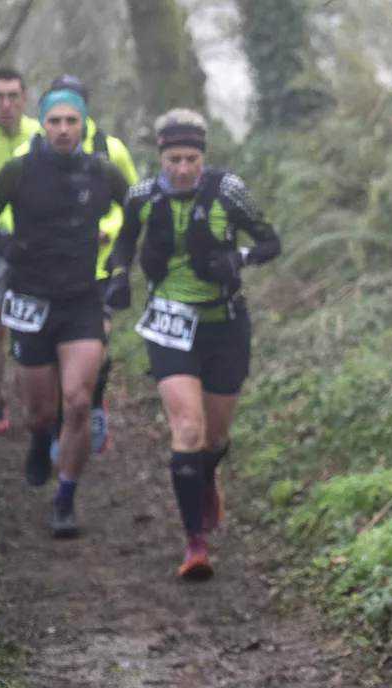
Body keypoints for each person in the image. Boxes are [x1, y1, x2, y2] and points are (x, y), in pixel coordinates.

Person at [106, 108, 281, 581]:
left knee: (215, 438)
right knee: (187, 428)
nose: (184, 169)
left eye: (192, 159)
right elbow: (124, 242)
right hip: (169, 324)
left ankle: (205, 476)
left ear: (203, 157)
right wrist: (118, 276)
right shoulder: (142, 196)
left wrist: (237, 257)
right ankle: (194, 543)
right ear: (161, 157)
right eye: (175, 160)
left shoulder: (229, 190)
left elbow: (270, 242)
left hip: (225, 324)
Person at [0, 88, 129, 538]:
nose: (63, 129)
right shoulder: (19, 170)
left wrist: (121, 263)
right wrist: (6, 246)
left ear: (83, 124)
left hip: (81, 299)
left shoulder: (102, 171)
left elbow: (139, 215)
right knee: (41, 412)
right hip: (31, 300)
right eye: (55, 121)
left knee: (78, 401)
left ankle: (65, 498)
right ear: (42, 124)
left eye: (71, 121)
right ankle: (41, 438)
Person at [6, 75, 140, 458]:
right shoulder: (26, 154)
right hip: (42, 273)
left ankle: (91, 406)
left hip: (97, 267)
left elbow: (132, 204)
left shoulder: (112, 150)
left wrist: (106, 229)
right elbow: (12, 212)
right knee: (45, 359)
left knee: (98, 344)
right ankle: (50, 422)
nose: (63, 124)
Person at [0, 67, 42, 435]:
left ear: (24, 99)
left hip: (35, 241)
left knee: (36, 321)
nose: (5, 104)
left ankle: (31, 387)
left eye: (12, 96)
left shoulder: (41, 135)